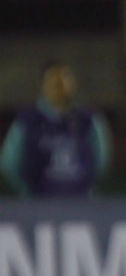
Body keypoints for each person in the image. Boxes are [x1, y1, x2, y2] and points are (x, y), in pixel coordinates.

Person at [0, 61, 111, 197]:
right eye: (53, 81)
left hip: (81, 203)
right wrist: (27, 191)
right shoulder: (27, 121)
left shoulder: (88, 120)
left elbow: (100, 160)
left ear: (73, 84)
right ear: (43, 86)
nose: (59, 86)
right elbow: (9, 162)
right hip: (39, 205)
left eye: (64, 79)